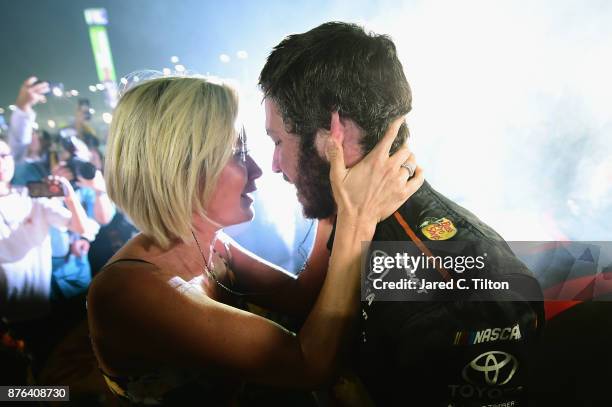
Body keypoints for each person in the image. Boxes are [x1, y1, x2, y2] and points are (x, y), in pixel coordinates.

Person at [87, 76, 423, 405]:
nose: (258, 169)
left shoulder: (212, 246)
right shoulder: (127, 291)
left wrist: (330, 193)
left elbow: (304, 297)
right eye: (236, 154)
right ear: (179, 169)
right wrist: (355, 222)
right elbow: (309, 363)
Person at [258, 22, 544, 406]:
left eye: (278, 141)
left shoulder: (463, 298)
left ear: (334, 133)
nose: (275, 165)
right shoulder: (347, 218)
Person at [0, 138, 98, 322]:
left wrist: (69, 197)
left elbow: (81, 227)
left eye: (4, 155)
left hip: (38, 303)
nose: (1, 162)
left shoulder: (32, 194)